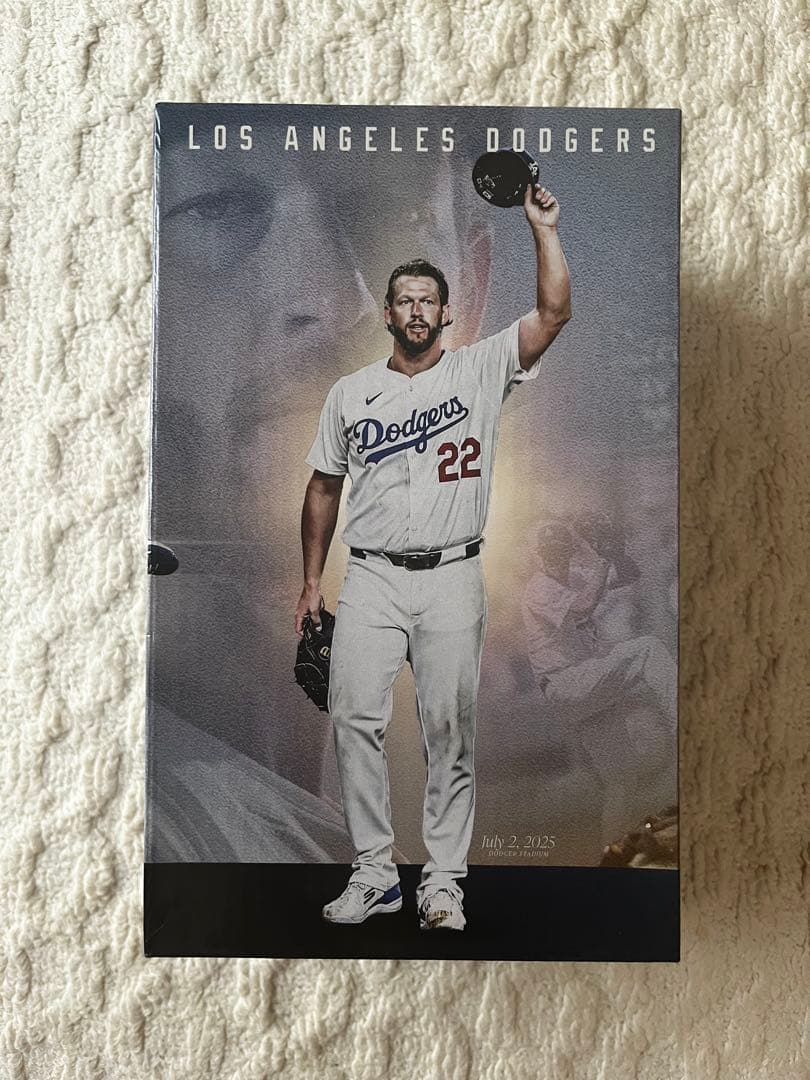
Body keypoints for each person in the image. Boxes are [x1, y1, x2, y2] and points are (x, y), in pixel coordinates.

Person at [295, 182, 572, 930]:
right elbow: (322, 487)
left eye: (428, 301)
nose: (416, 311)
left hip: (452, 574)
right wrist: (311, 581)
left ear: (446, 313)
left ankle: (443, 882)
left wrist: (544, 230)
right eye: (404, 301)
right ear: (387, 314)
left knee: (449, 729)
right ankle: (375, 873)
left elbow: (552, 314)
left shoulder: (480, 369)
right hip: (371, 577)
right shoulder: (351, 393)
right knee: (352, 718)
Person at [521, 518, 677, 734]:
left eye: (559, 551)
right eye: (547, 552)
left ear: (570, 553)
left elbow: (630, 574)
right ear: (540, 555)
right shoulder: (539, 586)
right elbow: (584, 606)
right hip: (564, 682)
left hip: (588, 683)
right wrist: (604, 559)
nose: (553, 558)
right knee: (648, 649)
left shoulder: (576, 576)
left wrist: (616, 552)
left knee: (624, 754)